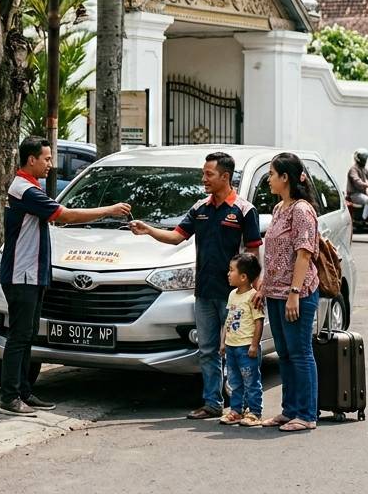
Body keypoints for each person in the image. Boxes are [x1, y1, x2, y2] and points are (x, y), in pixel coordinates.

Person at [0, 136, 131, 416]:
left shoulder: (30, 188)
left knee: (28, 334)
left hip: (33, 274)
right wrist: (109, 210)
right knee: (19, 336)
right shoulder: (25, 190)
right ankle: (10, 397)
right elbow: (65, 216)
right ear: (31, 159)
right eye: (46, 159)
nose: (50, 164)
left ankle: (23, 391)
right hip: (22, 275)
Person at [129, 151, 261, 420]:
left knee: (240, 352)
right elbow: (177, 236)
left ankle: (246, 407)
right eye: (203, 174)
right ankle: (213, 403)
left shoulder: (245, 210)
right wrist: (149, 230)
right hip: (203, 292)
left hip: (235, 297)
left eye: (209, 174)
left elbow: (253, 254)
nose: (204, 179)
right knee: (207, 350)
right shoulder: (199, 208)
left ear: (225, 176)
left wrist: (253, 292)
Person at [259, 153, 320, 433]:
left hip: (298, 293)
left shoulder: (301, 210)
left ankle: (307, 414)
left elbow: (304, 254)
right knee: (284, 354)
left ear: (285, 178)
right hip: (274, 293)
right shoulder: (278, 209)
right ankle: (289, 410)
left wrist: (295, 292)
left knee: (300, 353)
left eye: (272, 174)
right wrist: (263, 285)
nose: (268, 179)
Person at [220, 252, 265, 428]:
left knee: (251, 381)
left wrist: (254, 345)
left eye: (232, 270)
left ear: (244, 277)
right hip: (231, 347)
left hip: (246, 347)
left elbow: (258, 321)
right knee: (234, 381)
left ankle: (255, 412)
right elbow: (228, 319)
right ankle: (236, 410)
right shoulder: (232, 295)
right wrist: (223, 342)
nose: (228, 273)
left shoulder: (253, 296)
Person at [347, 149, 368, 222]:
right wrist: (367, 185)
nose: (365, 160)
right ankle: (363, 219)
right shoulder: (353, 169)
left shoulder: (363, 169)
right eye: (364, 158)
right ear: (359, 158)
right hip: (354, 194)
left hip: (361, 193)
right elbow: (357, 180)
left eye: (366, 159)